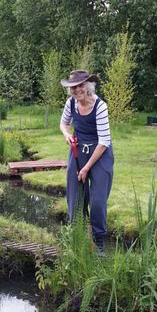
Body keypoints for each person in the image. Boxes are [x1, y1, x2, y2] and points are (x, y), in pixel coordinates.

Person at [59, 70, 114, 256]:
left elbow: (104, 142)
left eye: (80, 85)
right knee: (75, 198)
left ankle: (99, 243)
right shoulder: (71, 103)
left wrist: (86, 168)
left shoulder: (100, 106)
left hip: (100, 154)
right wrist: (67, 135)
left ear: (88, 85)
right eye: (73, 87)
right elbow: (63, 124)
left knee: (98, 201)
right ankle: (78, 238)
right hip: (78, 150)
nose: (77, 90)